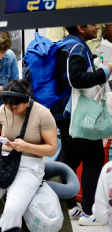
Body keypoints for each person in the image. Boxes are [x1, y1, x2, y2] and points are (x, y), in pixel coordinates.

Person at [0, 80, 58, 232]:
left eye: (16, 107)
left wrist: (25, 146)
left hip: (29, 167)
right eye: (9, 107)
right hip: (2, 163)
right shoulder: (3, 111)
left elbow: (51, 149)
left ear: (26, 102)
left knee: (12, 210)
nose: (12, 110)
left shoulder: (43, 114)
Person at [56, 24, 112, 224]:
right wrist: (105, 71)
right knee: (93, 160)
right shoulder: (78, 48)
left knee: (69, 159)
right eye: (93, 24)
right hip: (77, 114)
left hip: (62, 113)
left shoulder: (63, 44)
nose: (97, 27)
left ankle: (69, 206)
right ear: (81, 27)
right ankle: (89, 211)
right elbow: (77, 79)